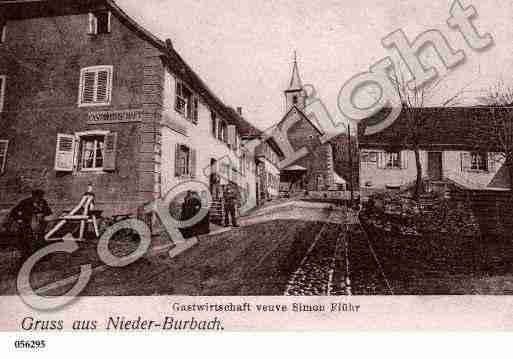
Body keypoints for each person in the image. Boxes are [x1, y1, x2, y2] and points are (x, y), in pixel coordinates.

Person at [9, 189, 52, 262]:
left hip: (39, 225)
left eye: (41, 197)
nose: (39, 198)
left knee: (40, 240)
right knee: (27, 241)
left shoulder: (43, 202)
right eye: (37, 197)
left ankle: (41, 256)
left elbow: (48, 212)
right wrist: (19, 219)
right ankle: (26, 257)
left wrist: (44, 216)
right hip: (26, 225)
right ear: (33, 196)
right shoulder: (25, 202)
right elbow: (13, 212)